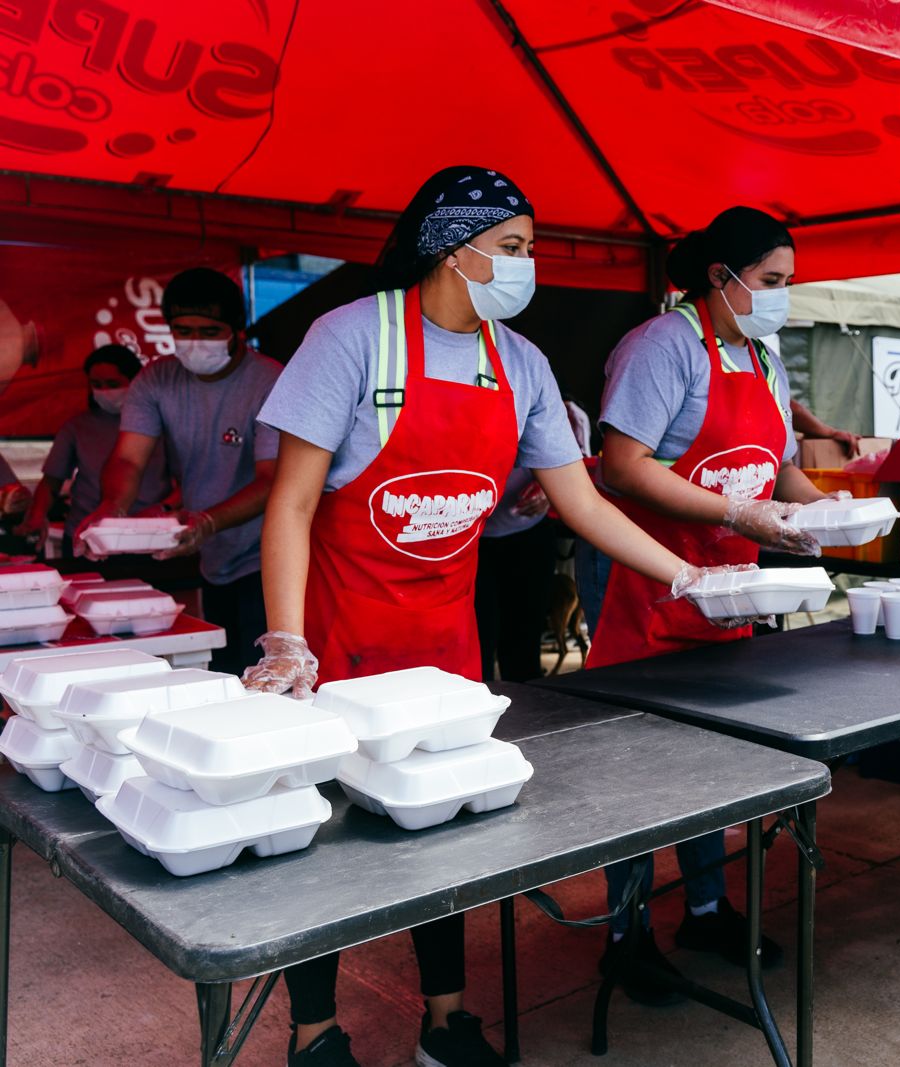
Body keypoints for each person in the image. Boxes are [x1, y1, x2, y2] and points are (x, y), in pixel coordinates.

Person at [245, 165, 735, 1067]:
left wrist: (689, 577)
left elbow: (581, 502)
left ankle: (445, 1021)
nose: (526, 266)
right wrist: (286, 638)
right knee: (312, 848)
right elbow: (293, 502)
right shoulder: (353, 338)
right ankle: (315, 1036)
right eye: (511, 248)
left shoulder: (522, 362)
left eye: (530, 249)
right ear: (451, 246)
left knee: (445, 837)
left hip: (441, 652)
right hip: (336, 640)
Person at [585, 206, 831, 1002]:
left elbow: (778, 469)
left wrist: (819, 513)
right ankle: (626, 932)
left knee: (715, 763)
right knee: (637, 769)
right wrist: (734, 511)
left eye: (788, 283)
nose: (782, 298)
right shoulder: (662, 348)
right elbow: (622, 465)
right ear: (721, 278)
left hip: (730, 593)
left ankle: (703, 906)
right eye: (772, 282)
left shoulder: (763, 355)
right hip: (647, 586)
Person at [77, 268, 281, 674]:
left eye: (209, 331)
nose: (195, 342)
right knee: (224, 672)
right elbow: (127, 458)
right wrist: (112, 508)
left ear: (237, 330)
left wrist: (207, 521)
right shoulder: (156, 379)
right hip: (211, 555)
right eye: (182, 330)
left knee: (264, 674)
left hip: (271, 556)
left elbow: (273, 478)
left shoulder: (271, 380)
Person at [19, 345, 170, 551]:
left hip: (150, 535)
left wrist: (163, 509)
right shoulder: (77, 427)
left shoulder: (162, 425)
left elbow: (186, 484)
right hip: (88, 535)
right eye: (96, 385)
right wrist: (36, 516)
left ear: (136, 381)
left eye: (113, 383)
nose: (105, 391)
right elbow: (51, 482)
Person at [474, 469, 559, 682]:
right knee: (476, 650)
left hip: (527, 531)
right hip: (466, 542)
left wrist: (552, 488)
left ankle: (528, 714)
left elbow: (568, 462)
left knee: (524, 650)